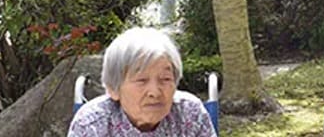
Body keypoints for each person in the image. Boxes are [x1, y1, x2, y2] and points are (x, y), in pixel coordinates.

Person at [68, 27, 215, 137]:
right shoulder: (92, 123)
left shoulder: (190, 113)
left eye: (165, 79)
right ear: (114, 88)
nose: (155, 92)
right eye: (141, 80)